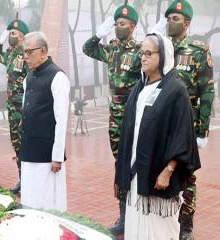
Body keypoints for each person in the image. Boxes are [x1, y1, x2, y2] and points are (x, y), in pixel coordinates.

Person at [115, 33, 201, 240]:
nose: (142, 58)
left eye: (148, 53)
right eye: (141, 53)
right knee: (137, 227)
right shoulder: (139, 88)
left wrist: (168, 170)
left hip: (159, 176)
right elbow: (129, 131)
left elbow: (182, 135)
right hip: (137, 173)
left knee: (159, 230)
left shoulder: (175, 90)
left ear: (162, 56)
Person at [152, 1, 215, 238]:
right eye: (169, 18)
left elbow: (207, 92)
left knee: (186, 174)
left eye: (176, 19)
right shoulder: (161, 49)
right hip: (163, 121)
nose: (170, 22)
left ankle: (186, 224)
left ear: (186, 23)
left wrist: (202, 131)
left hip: (187, 122)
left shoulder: (198, 50)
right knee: (163, 168)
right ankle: (166, 217)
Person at [82, 3, 141, 235]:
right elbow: (87, 49)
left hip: (133, 113)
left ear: (133, 26)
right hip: (115, 115)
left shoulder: (139, 50)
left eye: (123, 24)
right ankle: (124, 216)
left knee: (135, 161)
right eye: (116, 24)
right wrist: (99, 33)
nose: (118, 27)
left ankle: (138, 213)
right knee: (119, 165)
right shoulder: (112, 49)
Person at [19, 31, 70, 212]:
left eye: (29, 52)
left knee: (47, 202)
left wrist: (57, 157)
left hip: (47, 155)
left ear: (42, 51)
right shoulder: (29, 77)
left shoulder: (58, 77)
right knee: (30, 198)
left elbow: (61, 120)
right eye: (24, 52)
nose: (25, 57)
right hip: (29, 150)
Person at [0, 18, 29, 195]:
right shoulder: (9, 54)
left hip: (23, 108)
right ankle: (23, 180)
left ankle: (29, 181)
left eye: (13, 33)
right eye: (9, 34)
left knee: (26, 145)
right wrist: (0, 41)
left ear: (22, 37)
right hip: (12, 108)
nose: (10, 37)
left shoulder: (27, 55)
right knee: (16, 145)